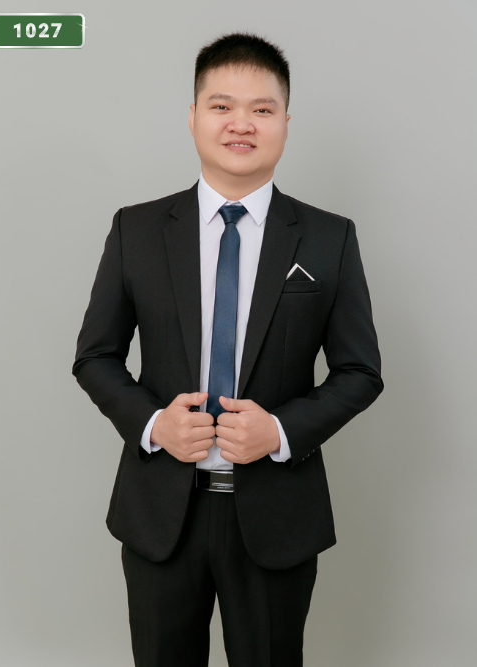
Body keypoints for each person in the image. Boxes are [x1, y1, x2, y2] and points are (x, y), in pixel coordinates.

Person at [72, 31, 384, 667]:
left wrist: (282, 431)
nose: (242, 123)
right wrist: (154, 424)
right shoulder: (137, 230)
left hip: (276, 513)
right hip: (162, 512)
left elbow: (360, 370)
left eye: (262, 109)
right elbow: (95, 356)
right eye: (222, 106)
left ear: (286, 123)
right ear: (193, 117)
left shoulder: (329, 239)